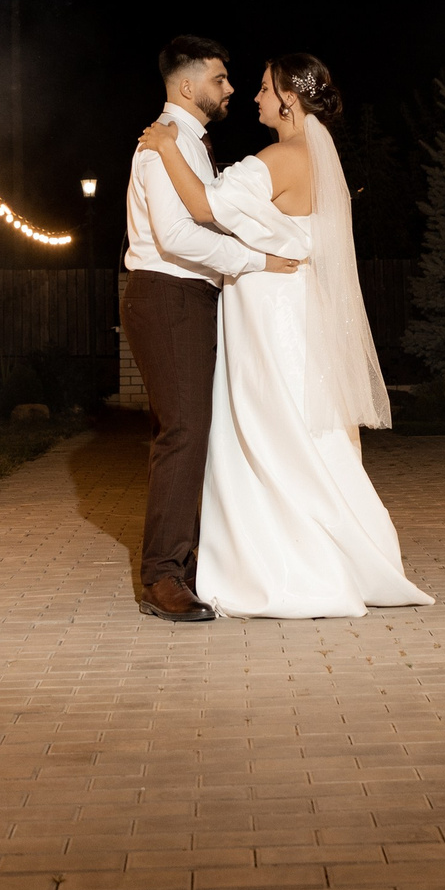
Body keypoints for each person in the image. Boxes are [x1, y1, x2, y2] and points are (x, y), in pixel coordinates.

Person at [138, 53, 433, 619]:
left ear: (289, 101)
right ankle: (328, 549)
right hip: (290, 305)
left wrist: (167, 148)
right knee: (296, 427)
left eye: (266, 89)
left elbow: (202, 207)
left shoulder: (281, 157)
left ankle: (279, 562)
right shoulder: (319, 158)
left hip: (270, 310)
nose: (254, 98)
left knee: (267, 426)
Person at [121, 36, 299, 623]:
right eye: (220, 80)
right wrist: (259, 259)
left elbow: (209, 217)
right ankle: (164, 578)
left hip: (188, 298)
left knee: (192, 432)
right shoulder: (158, 148)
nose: (229, 90)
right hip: (168, 296)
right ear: (188, 84)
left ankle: (187, 563)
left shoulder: (187, 146)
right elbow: (178, 238)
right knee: (184, 434)